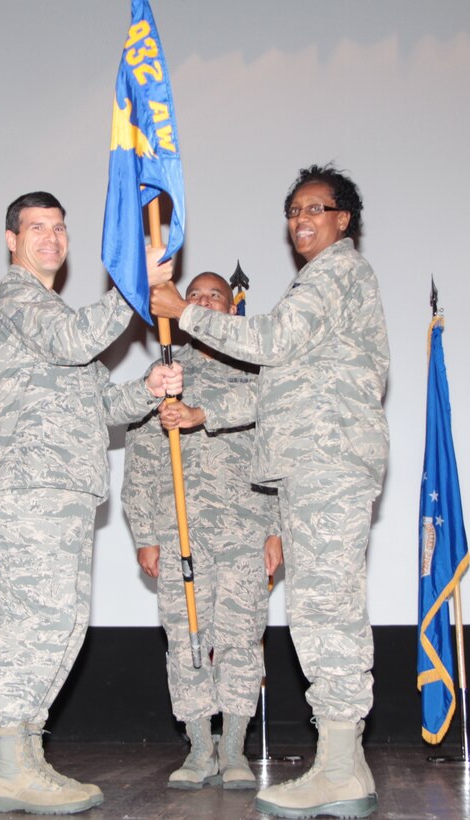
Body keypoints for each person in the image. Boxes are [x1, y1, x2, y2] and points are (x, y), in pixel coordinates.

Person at [151, 165, 389, 819]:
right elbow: (271, 385)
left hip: (327, 461)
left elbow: (273, 342)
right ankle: (345, 765)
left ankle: (339, 768)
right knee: (322, 609)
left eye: (316, 207)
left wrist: (182, 313)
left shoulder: (335, 273)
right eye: (291, 210)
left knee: (324, 612)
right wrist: (206, 414)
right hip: (313, 465)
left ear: (343, 220)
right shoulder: (321, 284)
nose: (301, 218)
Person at [0, 191, 182, 815]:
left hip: (66, 492)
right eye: (38, 228)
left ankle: (26, 758)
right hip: (30, 488)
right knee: (33, 623)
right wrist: (133, 288)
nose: (52, 239)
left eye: (60, 228)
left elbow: (102, 406)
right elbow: (71, 340)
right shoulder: (12, 299)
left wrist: (146, 389)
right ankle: (8, 764)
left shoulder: (55, 310)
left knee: (62, 625)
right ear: (12, 239)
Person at [122, 272, 283, 791]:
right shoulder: (166, 373)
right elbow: (143, 459)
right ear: (180, 308)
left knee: (241, 640)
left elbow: (276, 456)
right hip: (180, 534)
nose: (204, 301)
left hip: (245, 531)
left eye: (214, 296)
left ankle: (234, 748)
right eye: (193, 295)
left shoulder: (255, 375)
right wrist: (145, 532)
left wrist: (276, 529)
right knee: (186, 640)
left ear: (231, 309)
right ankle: (198, 748)